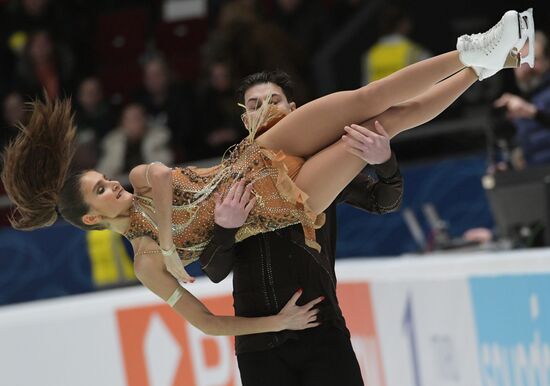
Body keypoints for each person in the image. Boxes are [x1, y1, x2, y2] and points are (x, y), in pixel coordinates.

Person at [0, 9, 534, 337]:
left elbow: (162, 176)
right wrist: (274, 323)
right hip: (284, 200)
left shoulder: (140, 183)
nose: (111, 183)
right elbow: (206, 322)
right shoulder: (143, 266)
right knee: (380, 126)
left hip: (258, 154)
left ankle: (477, 46)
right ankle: (488, 67)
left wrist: (165, 242)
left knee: (363, 98)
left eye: (101, 177)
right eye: (101, 191)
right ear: (95, 219)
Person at [198, 69, 403, 386]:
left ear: (293, 110)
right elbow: (213, 271)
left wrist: (384, 161)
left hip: (322, 331)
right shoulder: (228, 181)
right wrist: (225, 228)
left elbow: (383, 202)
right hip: (261, 348)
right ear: (245, 121)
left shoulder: (320, 165)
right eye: (254, 105)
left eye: (273, 100)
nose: (265, 109)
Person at [494, 30, 550, 167]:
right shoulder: (517, 102)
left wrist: (533, 113)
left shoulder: (524, 106)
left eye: (533, 60)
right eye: (520, 61)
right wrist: (508, 166)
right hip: (536, 183)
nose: (526, 68)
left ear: (547, 60)